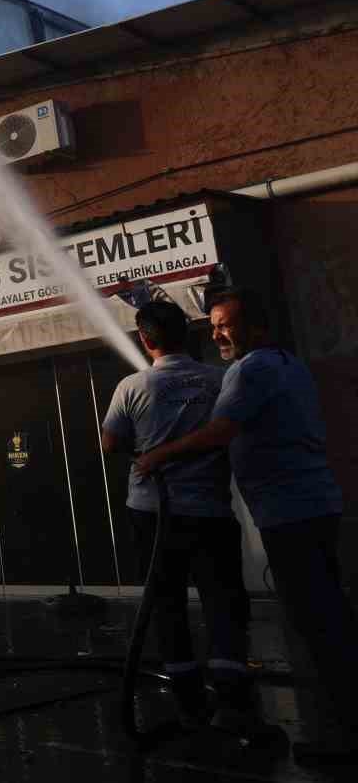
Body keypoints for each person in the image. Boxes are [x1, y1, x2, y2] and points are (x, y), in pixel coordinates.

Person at [135, 287, 357, 762]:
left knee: (320, 625)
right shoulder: (288, 363)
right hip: (314, 505)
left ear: (257, 325)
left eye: (225, 324)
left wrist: (159, 453)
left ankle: (346, 741)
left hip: (290, 514)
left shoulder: (250, 369)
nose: (216, 333)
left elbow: (218, 431)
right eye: (212, 325)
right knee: (328, 618)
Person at [102, 299, 251, 728]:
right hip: (211, 509)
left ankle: (188, 701)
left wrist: (147, 455)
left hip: (153, 512)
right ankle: (232, 696)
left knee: (165, 601)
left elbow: (110, 444)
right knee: (223, 597)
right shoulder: (220, 379)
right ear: (187, 336)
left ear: (145, 340)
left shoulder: (132, 387)